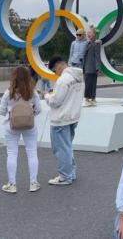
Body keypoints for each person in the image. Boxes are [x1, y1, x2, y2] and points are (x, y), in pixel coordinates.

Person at [0, 66, 42, 193]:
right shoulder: (32, 92)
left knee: (12, 153)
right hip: (29, 125)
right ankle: (33, 183)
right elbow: (39, 110)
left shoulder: (9, 92)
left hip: (11, 125)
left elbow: (2, 111)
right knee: (32, 152)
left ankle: (12, 184)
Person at [45, 56, 84, 185]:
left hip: (61, 119)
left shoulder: (63, 80)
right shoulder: (78, 77)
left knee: (61, 149)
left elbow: (55, 101)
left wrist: (47, 96)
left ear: (57, 66)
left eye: (54, 70)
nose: (55, 73)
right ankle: (70, 172)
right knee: (67, 147)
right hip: (73, 116)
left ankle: (65, 176)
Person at [83, 27, 102, 107]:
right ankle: (87, 99)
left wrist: (98, 67)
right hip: (86, 67)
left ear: (94, 34)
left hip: (93, 67)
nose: (88, 34)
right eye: (88, 32)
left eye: (90, 32)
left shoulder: (96, 44)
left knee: (93, 83)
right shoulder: (86, 43)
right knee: (87, 83)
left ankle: (92, 98)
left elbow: (97, 56)